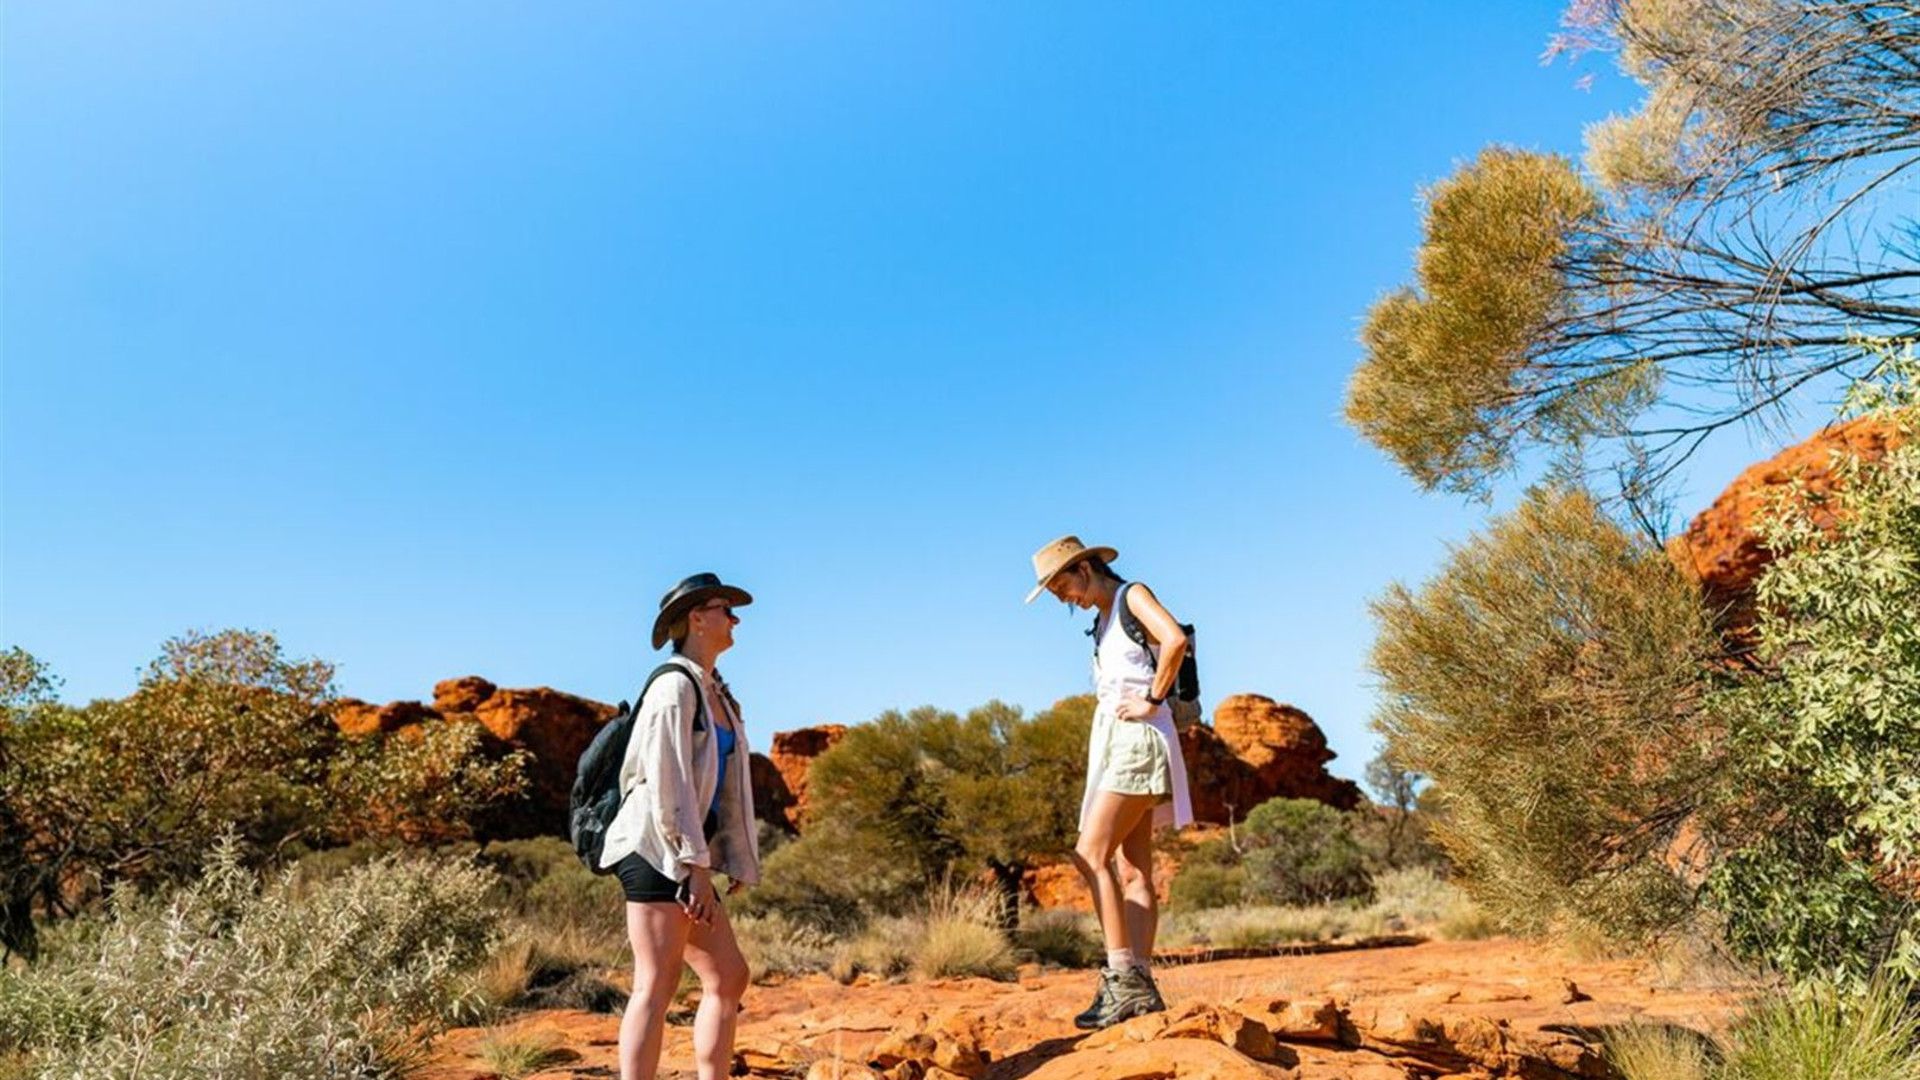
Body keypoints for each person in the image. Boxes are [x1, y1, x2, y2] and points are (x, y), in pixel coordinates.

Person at [599, 572, 763, 1080]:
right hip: (654, 851)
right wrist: (695, 866)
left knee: (728, 976)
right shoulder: (674, 687)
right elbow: (667, 781)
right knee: (655, 983)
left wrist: (732, 858)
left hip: (687, 855)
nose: (734, 620)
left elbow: (726, 788)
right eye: (725, 610)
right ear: (696, 618)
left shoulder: (716, 693)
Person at [1026, 535, 1194, 1029]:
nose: (1063, 598)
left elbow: (1175, 639)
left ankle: (1121, 977)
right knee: (1133, 869)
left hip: (1138, 741)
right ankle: (1140, 984)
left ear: (1083, 569)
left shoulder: (1131, 595)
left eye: (1061, 587)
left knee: (1090, 854)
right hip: (1122, 742)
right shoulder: (1102, 620)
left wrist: (1152, 701)